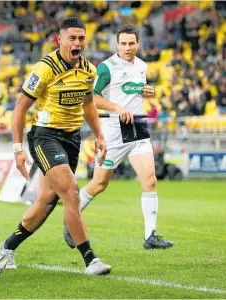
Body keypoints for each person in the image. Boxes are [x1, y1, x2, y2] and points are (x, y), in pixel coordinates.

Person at [0, 17, 111, 276]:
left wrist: (100, 135)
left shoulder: (89, 71)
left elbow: (88, 105)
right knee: (71, 192)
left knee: (46, 202)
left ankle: (7, 247)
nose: (77, 43)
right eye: (72, 38)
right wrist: (18, 150)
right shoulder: (45, 68)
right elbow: (20, 107)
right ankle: (90, 259)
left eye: (81, 38)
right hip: (44, 137)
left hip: (72, 139)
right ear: (59, 40)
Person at [64, 24, 174, 250]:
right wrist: (116, 107)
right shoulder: (106, 68)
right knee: (99, 184)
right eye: (123, 43)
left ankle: (150, 236)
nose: (127, 47)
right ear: (117, 44)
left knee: (150, 180)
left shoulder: (142, 66)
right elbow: (92, 98)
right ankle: (70, 218)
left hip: (137, 127)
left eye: (131, 43)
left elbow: (133, 90)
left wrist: (146, 91)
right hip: (113, 131)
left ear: (138, 44)